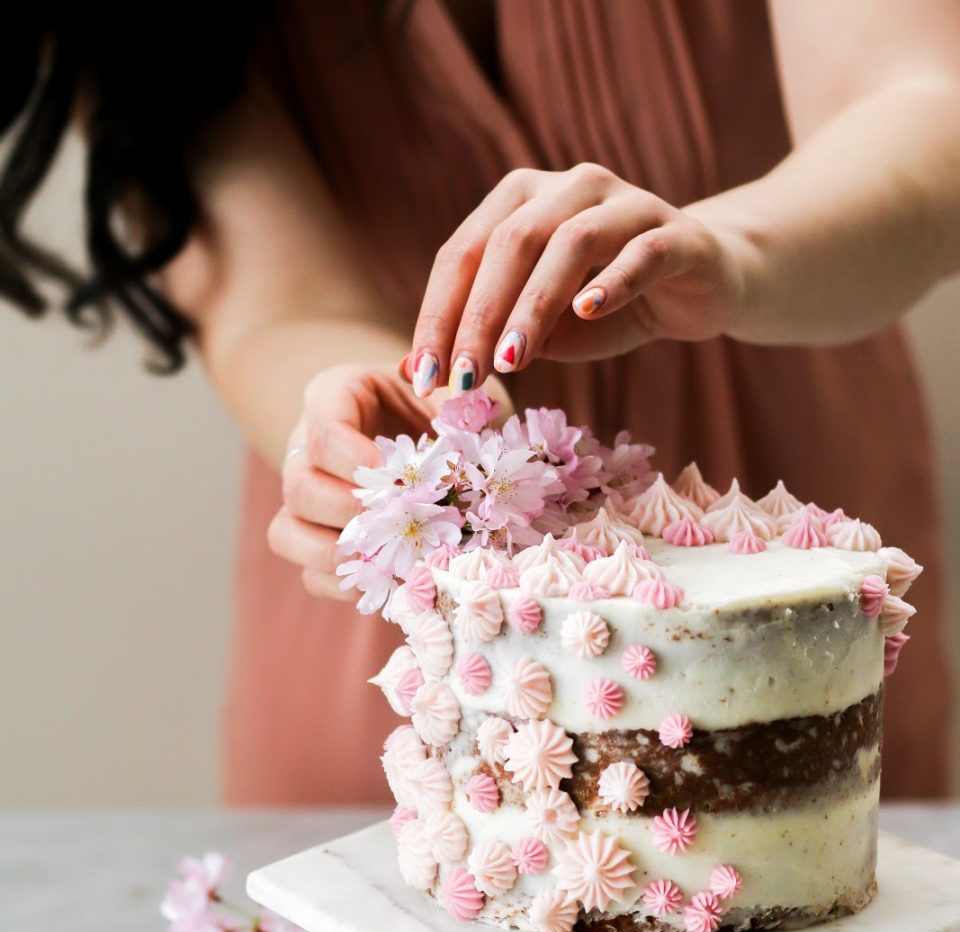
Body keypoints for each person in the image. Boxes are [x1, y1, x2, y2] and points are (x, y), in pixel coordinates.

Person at [4, 2, 959, 803]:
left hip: (785, 611)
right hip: (414, 675)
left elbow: (924, 102)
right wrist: (376, 433)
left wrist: (731, 255)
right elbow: (276, 300)